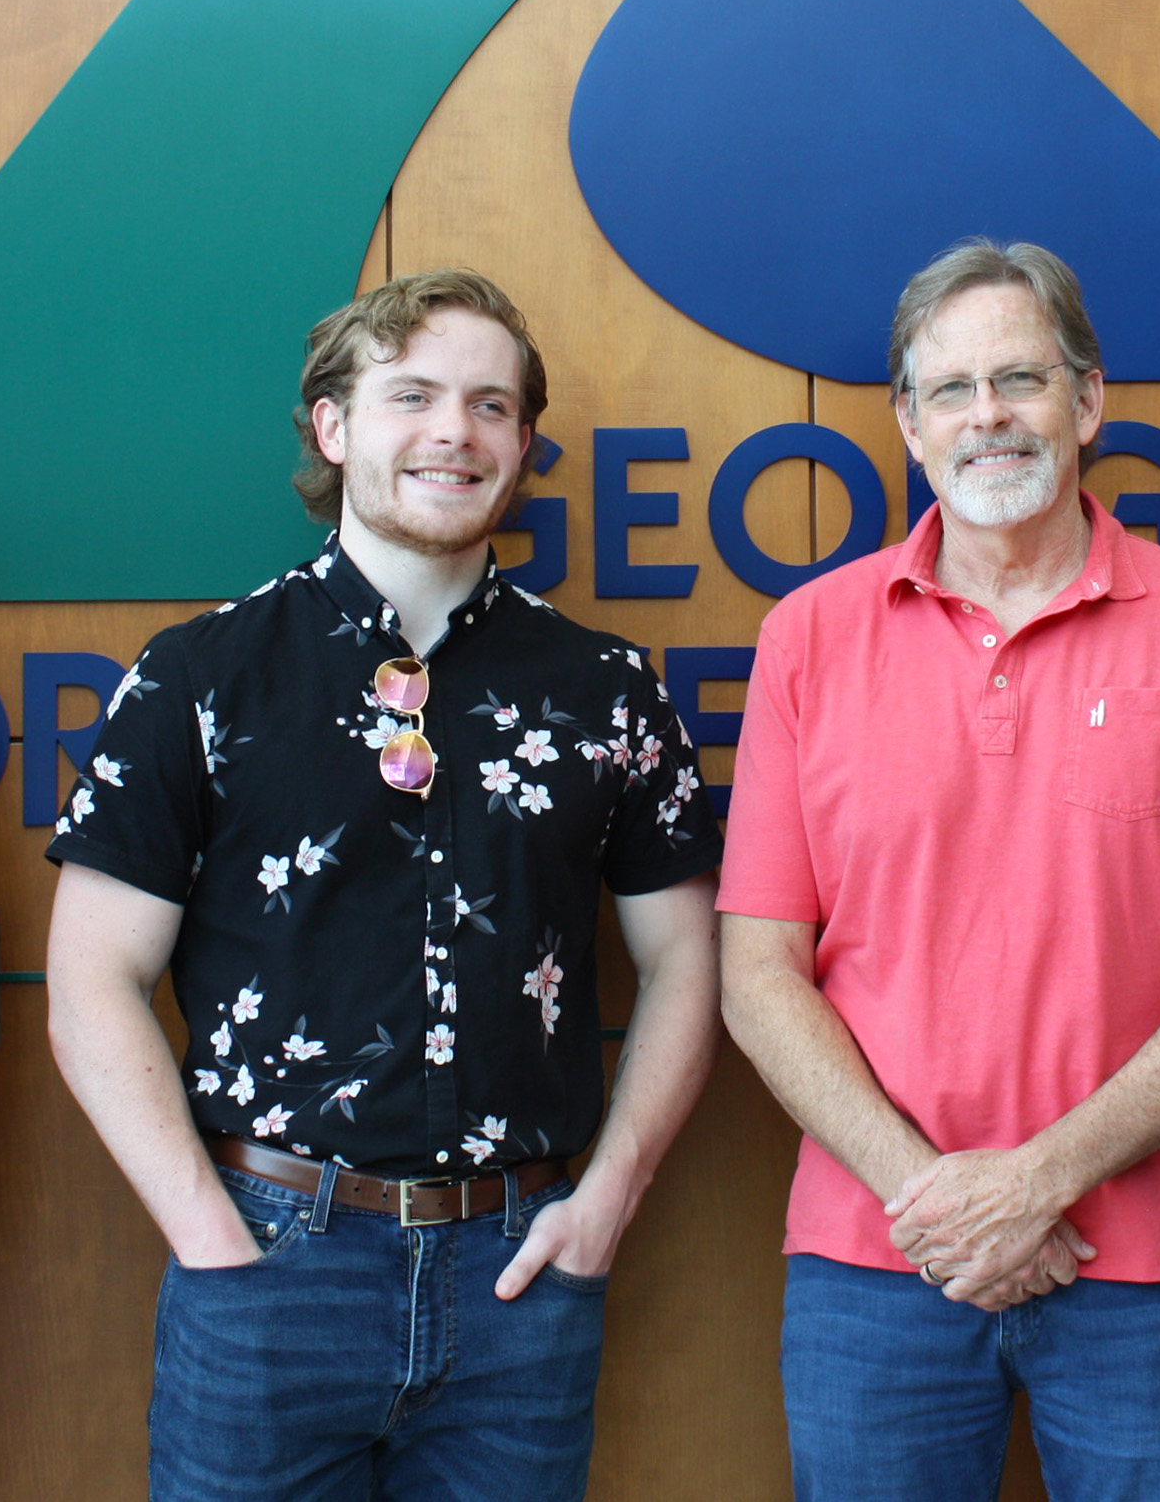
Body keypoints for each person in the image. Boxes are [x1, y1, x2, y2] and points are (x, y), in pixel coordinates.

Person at [44, 269, 722, 1501]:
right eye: (411, 394)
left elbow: (686, 959)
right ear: (334, 426)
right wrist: (209, 1238)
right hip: (268, 1259)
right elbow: (92, 976)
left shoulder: (608, 688)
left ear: (522, 442)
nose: (453, 430)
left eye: (489, 404)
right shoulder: (200, 676)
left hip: (523, 1272)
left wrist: (606, 1200)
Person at [716, 239, 1160, 1501]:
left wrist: (1036, 1181)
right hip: (878, 1258)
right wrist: (940, 1202)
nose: (986, 415)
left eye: (1021, 378)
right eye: (948, 389)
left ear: (1088, 401)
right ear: (906, 423)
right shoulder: (809, 639)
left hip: (1159, 1270)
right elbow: (758, 975)